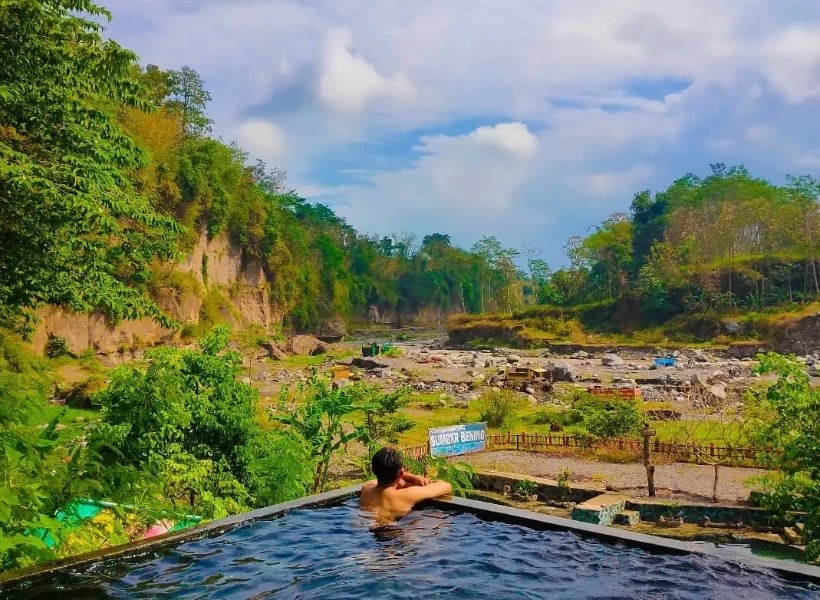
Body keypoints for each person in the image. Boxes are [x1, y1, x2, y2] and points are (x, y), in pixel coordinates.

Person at [360, 447, 452, 519]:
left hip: (370, 530)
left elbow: (374, 481)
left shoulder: (366, 490)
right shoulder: (407, 494)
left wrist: (403, 479)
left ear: (373, 470)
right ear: (400, 473)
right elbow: (446, 486)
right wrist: (414, 477)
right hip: (397, 535)